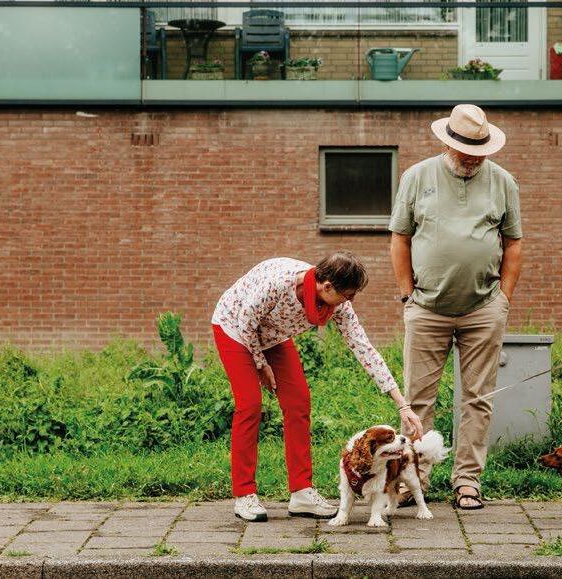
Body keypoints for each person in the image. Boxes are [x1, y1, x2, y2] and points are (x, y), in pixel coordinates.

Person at [211, 251, 424, 522]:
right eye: (348, 295)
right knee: (250, 405)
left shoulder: (338, 304)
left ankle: (301, 492)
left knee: (298, 402)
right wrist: (260, 364)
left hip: (273, 334)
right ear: (327, 286)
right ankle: (245, 494)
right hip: (235, 327)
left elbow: (365, 350)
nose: (350, 301)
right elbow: (246, 322)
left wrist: (402, 405)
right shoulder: (277, 285)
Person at [389, 104, 522, 510]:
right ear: (448, 143)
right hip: (427, 307)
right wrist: (407, 294)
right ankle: (414, 480)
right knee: (417, 400)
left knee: (478, 398)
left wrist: (503, 299)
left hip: (484, 308)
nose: (473, 158)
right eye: (466, 150)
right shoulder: (417, 177)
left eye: (480, 151)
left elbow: (513, 243)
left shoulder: (503, 181)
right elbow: (400, 238)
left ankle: (467, 481)